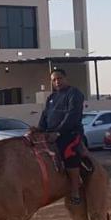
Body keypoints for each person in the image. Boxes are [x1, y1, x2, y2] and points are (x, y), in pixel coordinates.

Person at [38, 68, 87, 205]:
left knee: (68, 153)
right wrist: (38, 130)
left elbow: (72, 115)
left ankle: (75, 188)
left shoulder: (74, 94)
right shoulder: (51, 98)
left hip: (69, 133)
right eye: (54, 80)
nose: (57, 82)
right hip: (50, 133)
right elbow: (45, 115)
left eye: (59, 78)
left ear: (65, 79)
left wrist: (58, 132)